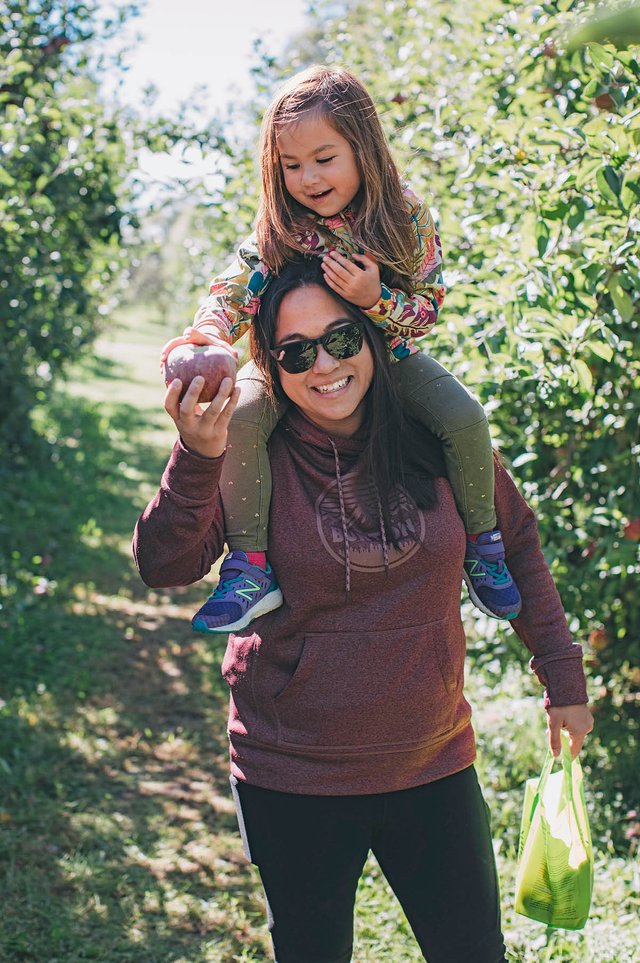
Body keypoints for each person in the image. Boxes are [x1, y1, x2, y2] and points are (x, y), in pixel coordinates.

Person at [134, 258, 594, 963]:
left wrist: (562, 675)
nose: (324, 365)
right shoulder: (251, 455)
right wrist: (197, 454)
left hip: (432, 760)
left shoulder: (438, 438)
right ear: (272, 363)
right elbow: (164, 563)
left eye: (342, 338)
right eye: (295, 351)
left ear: (374, 337)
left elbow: (519, 543)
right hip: (293, 772)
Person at [159, 64, 523, 633]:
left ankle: (483, 544)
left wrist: (376, 300)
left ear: (363, 148)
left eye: (324, 159)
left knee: (463, 416)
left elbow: (427, 311)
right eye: (291, 164)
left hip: (389, 359)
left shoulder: (404, 217)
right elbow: (240, 280)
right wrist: (208, 332)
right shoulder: (285, 221)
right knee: (247, 416)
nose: (307, 177)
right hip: (295, 362)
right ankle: (251, 566)